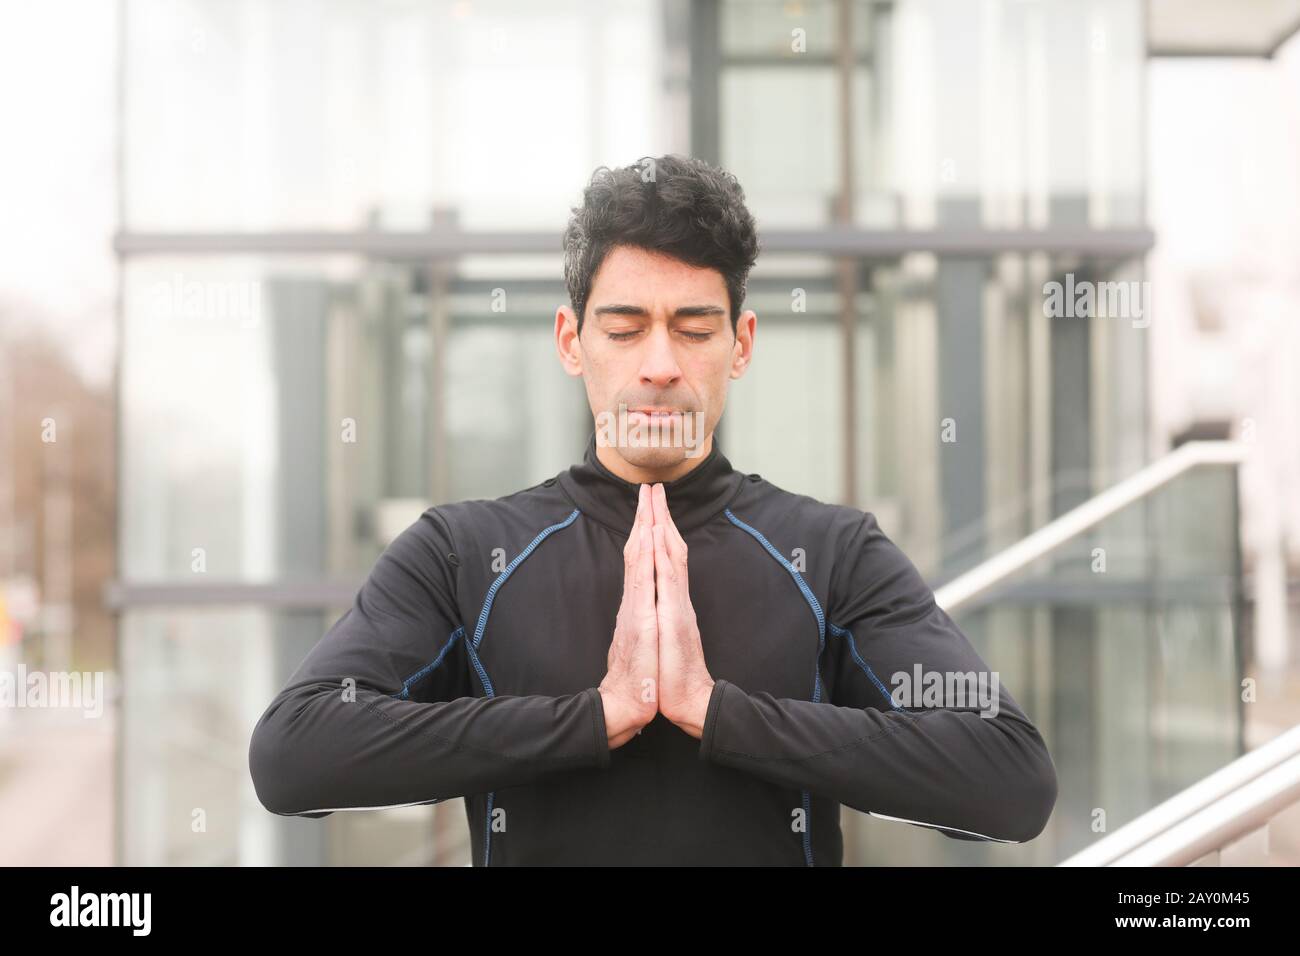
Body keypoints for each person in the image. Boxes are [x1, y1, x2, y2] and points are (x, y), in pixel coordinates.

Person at [248, 154, 1058, 865]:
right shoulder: (463, 553)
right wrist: (593, 719)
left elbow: (1009, 779)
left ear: (740, 345)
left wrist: (720, 714)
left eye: (695, 329)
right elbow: (295, 755)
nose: (662, 365)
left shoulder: (834, 552)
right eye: (626, 328)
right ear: (572, 342)